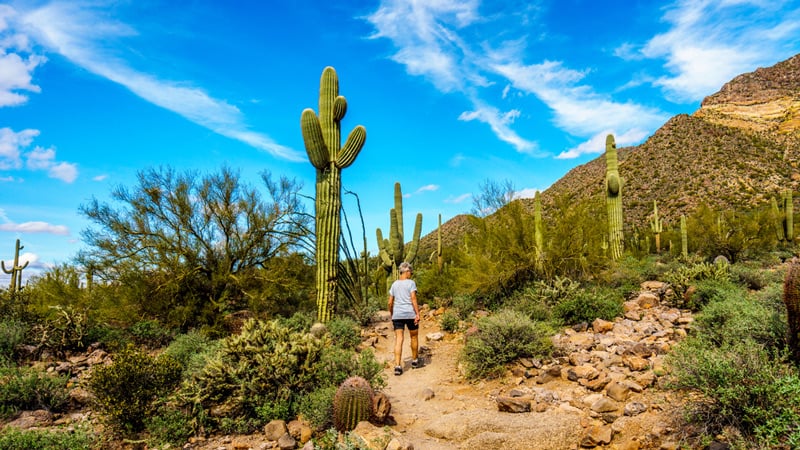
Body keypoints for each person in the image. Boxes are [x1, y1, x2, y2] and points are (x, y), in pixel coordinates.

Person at [388, 262, 420, 375]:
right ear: (407, 272)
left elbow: (390, 302)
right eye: (410, 272)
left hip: (398, 315)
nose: (411, 274)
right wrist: (417, 314)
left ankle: (397, 366)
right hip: (410, 314)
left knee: (399, 339)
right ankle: (415, 361)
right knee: (414, 336)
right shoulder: (411, 283)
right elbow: (413, 299)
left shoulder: (394, 284)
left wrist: (392, 314)